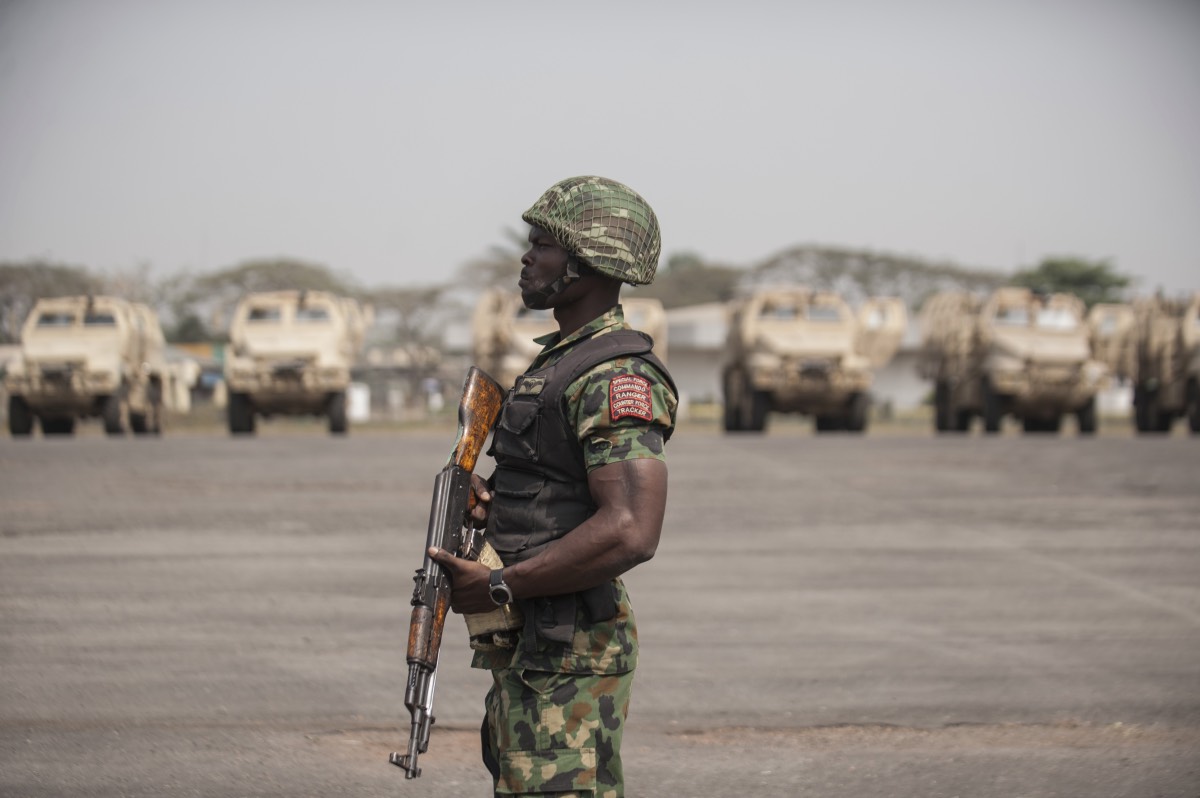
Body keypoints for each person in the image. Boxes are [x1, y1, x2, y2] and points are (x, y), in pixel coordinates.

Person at [429, 175, 677, 797]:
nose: (526, 256)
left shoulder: (616, 374)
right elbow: (555, 490)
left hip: (570, 652)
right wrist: (496, 506)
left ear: (589, 261)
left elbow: (630, 529)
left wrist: (498, 585)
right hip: (540, 647)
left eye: (543, 243)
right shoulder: (563, 360)